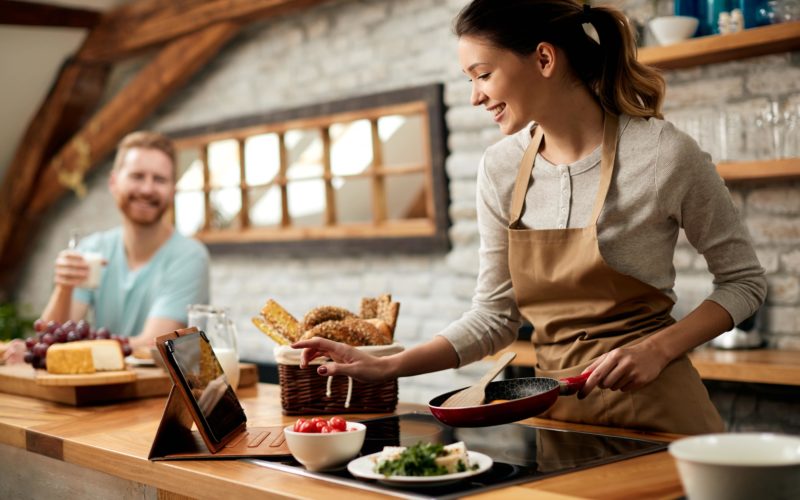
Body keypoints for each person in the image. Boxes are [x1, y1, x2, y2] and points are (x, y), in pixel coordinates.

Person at [293, 0, 766, 435]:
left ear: (543, 59)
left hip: (663, 413)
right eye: (469, 80)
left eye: (482, 74)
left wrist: (660, 347)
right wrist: (388, 363)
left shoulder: (663, 153)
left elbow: (745, 283)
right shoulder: (500, 168)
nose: (475, 96)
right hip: (559, 419)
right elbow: (494, 318)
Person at [36, 131, 209, 353]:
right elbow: (49, 342)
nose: (147, 189)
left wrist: (76, 348)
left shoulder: (189, 256)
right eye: (137, 176)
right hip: (96, 386)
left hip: (159, 387)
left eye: (159, 179)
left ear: (172, 189)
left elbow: (153, 344)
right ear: (114, 182)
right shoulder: (92, 250)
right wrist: (64, 287)